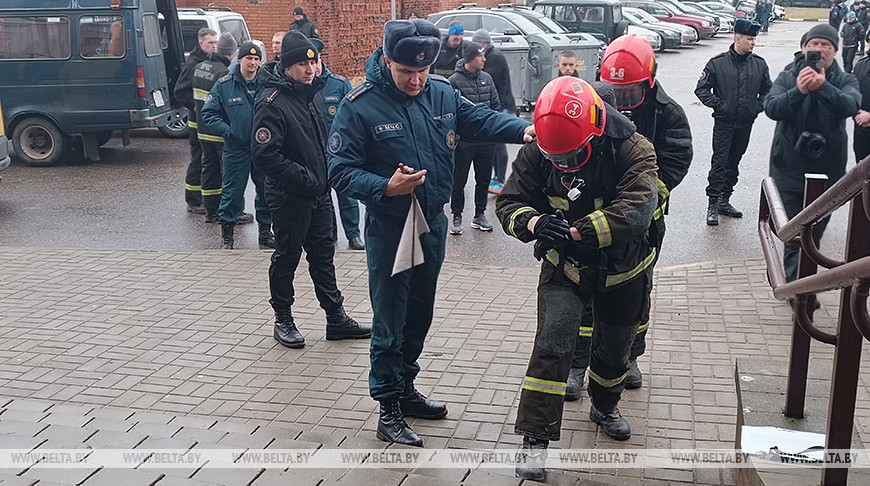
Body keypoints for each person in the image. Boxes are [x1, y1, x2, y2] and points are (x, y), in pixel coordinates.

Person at [327, 19, 534, 447]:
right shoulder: (359, 105)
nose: (416, 79)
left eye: (423, 71)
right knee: (391, 318)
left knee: (420, 313)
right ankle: (387, 408)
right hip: (392, 226)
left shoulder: (440, 91)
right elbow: (339, 171)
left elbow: (477, 119)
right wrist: (385, 186)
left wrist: (524, 129)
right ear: (387, 61)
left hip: (432, 222)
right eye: (407, 72)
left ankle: (406, 388)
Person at [496, 77, 657, 481]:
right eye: (557, 159)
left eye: (572, 156)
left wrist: (578, 231)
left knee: (614, 349)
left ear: (596, 130)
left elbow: (637, 208)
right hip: (564, 267)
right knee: (553, 343)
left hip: (624, 269)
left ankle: (604, 406)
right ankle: (534, 439)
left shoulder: (635, 149)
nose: (564, 165)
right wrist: (533, 222)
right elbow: (509, 201)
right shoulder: (539, 150)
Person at [566, 34, 693, 400]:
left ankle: (628, 357)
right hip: (594, 220)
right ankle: (578, 364)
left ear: (649, 81)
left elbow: (676, 160)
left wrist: (647, 200)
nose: (621, 102)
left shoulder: (667, 114)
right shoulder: (591, 105)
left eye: (630, 93)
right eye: (616, 92)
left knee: (637, 295)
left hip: (643, 225)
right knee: (584, 294)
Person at [252, 31, 370, 349]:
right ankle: (283, 319)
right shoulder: (271, 103)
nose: (311, 70)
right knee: (287, 256)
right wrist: (305, 179)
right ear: (287, 66)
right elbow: (265, 156)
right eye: (303, 65)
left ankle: (336, 317)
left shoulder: (311, 93)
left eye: (314, 63)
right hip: (290, 196)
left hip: (319, 194)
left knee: (323, 257)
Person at [764, 24, 860, 285]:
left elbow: (851, 105)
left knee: (813, 235)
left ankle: (797, 285)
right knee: (796, 234)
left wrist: (824, 87)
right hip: (788, 169)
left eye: (826, 45)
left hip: (828, 172)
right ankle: (799, 293)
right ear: (804, 48)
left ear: (835, 52)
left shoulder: (845, 79)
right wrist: (800, 91)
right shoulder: (787, 76)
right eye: (813, 45)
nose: (819, 50)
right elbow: (771, 107)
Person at [695, 19, 771, 226]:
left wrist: (756, 107)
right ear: (738, 38)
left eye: (754, 39)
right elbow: (701, 90)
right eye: (750, 39)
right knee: (719, 162)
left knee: (734, 162)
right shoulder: (717, 63)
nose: (753, 42)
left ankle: (724, 200)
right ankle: (712, 203)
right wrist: (720, 105)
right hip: (724, 123)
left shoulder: (759, 64)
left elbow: (767, 92)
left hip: (745, 123)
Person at [201, 42, 275, 250]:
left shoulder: (267, 84)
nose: (253, 62)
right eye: (248, 58)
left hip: (263, 148)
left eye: (256, 59)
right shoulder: (224, 85)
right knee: (232, 192)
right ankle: (227, 237)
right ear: (240, 59)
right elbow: (209, 113)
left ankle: (265, 234)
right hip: (236, 148)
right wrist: (227, 131)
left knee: (266, 191)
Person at [194, 33, 253, 225]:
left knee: (209, 170)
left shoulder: (200, 67)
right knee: (231, 178)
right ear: (232, 54)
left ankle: (210, 210)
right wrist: (230, 129)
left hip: (202, 130)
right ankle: (234, 212)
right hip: (222, 132)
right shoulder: (223, 74)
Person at [311, 39, 364, 251]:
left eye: (314, 62)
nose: (311, 68)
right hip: (315, 151)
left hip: (340, 152)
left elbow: (354, 115)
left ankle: (353, 234)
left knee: (347, 195)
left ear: (320, 60)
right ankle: (329, 233)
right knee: (322, 196)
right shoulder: (304, 86)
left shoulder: (339, 84)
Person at [448, 42, 500, 234]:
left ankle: (479, 215)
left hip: (486, 142)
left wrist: (494, 131)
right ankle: (456, 216)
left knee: (483, 180)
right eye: (480, 56)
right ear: (471, 58)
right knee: (459, 181)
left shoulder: (487, 78)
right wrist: (458, 138)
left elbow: (495, 105)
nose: (484, 59)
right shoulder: (453, 81)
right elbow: (450, 113)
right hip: (465, 143)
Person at [175, 28, 217, 215]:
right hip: (195, 122)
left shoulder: (209, 62)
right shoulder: (193, 64)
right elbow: (180, 91)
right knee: (198, 160)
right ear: (201, 44)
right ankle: (192, 200)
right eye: (210, 43)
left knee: (206, 161)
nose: (214, 46)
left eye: (216, 43)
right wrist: (196, 106)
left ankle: (203, 197)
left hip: (205, 122)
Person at [470, 29, 515, 196]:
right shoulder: (491, 55)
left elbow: (487, 80)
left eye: (477, 44)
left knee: (498, 142)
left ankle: (500, 179)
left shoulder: (494, 57)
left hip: (502, 104)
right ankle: (496, 178)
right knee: (495, 142)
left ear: (483, 43)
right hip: (497, 105)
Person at [853, 54, 870, 162]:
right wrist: (855, 112)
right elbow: (853, 92)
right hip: (861, 129)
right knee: (861, 171)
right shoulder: (860, 65)